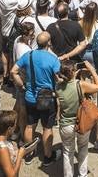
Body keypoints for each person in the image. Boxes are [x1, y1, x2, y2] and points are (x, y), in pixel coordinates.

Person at [13, 31, 62, 162]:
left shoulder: (28, 55)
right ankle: (47, 156)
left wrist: (21, 84)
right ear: (49, 43)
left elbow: (13, 71)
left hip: (30, 97)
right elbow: (58, 79)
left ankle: (29, 155)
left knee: (30, 126)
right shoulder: (53, 59)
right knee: (47, 128)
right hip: (47, 99)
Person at [59, 59, 98, 177]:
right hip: (81, 122)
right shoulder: (80, 85)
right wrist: (92, 70)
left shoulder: (58, 86)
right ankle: (82, 174)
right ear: (73, 71)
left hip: (65, 125)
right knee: (83, 148)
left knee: (67, 152)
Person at [0, 111, 30, 177]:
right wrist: (20, 156)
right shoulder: (2, 150)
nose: (16, 127)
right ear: (9, 129)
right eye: (15, 125)